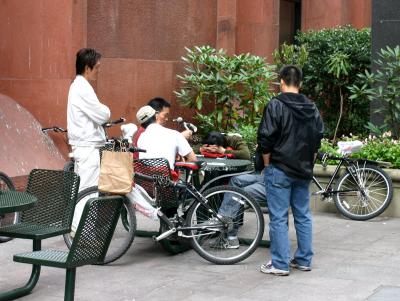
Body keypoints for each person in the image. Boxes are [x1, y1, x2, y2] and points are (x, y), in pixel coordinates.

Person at [257, 65, 324, 276]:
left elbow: (265, 139)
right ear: (301, 83)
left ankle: (280, 263)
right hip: (303, 170)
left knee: (278, 217)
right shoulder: (312, 107)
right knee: (303, 215)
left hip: (279, 168)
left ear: (281, 82)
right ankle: (303, 260)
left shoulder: (275, 104)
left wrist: (267, 165)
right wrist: (308, 165)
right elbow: (317, 140)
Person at [67, 48, 111, 232]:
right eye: (97, 67)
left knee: (82, 190)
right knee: (88, 191)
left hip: (84, 146)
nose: (99, 70)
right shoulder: (82, 88)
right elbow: (103, 114)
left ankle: (78, 229)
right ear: (87, 67)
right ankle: (82, 232)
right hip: (87, 148)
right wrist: (106, 112)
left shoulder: (78, 86)